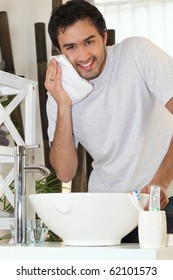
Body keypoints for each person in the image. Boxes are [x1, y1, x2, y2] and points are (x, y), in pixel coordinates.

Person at [45, 0, 173, 241]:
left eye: (89, 42)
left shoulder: (137, 53)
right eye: (71, 47)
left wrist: (160, 183)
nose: (83, 56)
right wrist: (63, 104)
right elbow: (64, 173)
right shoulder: (60, 91)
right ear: (60, 52)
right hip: (107, 208)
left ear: (104, 36)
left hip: (163, 199)